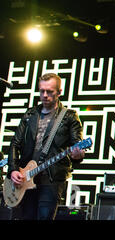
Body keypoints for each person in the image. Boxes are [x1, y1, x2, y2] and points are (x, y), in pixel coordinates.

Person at [7, 73, 85, 220]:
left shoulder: (69, 116)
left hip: (51, 178)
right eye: (42, 91)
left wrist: (78, 153)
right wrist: (13, 170)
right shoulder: (30, 114)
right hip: (26, 176)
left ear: (59, 92)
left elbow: (77, 147)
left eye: (49, 91)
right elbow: (15, 143)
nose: (44, 95)